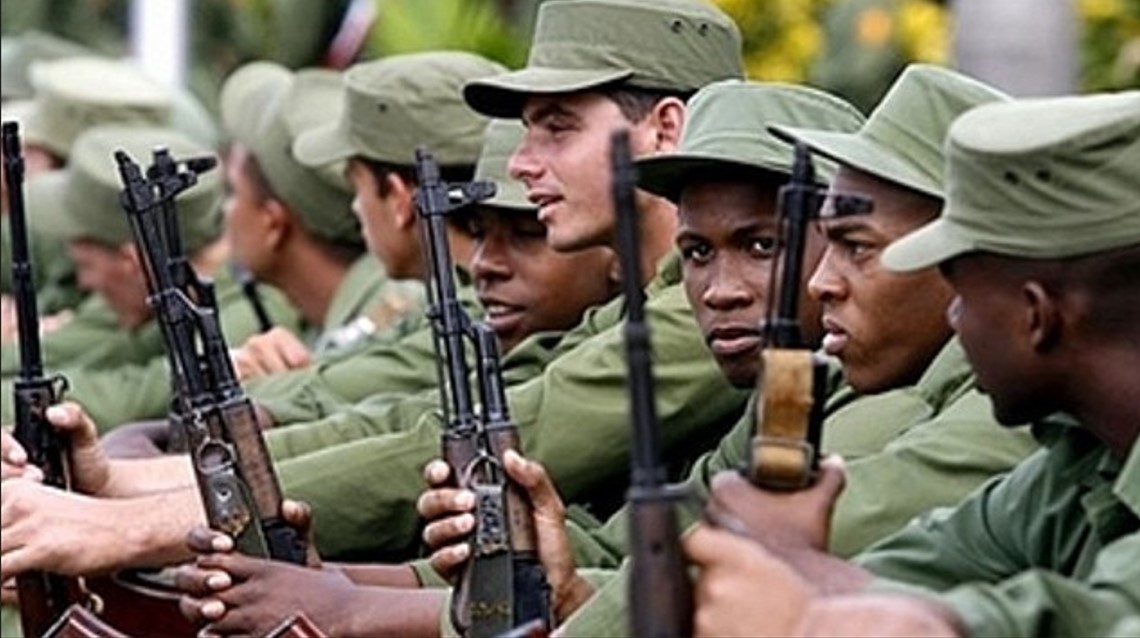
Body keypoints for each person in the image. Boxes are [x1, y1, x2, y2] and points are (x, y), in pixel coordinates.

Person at [416, 66, 1039, 637]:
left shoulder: (990, 415)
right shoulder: (826, 373)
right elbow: (683, 546)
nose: (823, 281)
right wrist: (569, 579)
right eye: (696, 254)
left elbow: (750, 556)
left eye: (766, 246)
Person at [683, 90, 1140, 637]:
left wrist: (799, 598)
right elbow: (911, 576)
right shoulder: (1076, 462)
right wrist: (790, 565)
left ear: (1035, 314)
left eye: (962, 291)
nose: (953, 317)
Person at [0, 124, 299, 429]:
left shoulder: (248, 313)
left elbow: (129, 398)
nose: (84, 284)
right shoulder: (153, 291)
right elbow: (87, 351)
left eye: (85, 266)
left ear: (133, 261)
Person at [218, 61, 425, 379]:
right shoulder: (330, 318)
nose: (224, 212)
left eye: (233, 192)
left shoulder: (387, 324)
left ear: (273, 224)